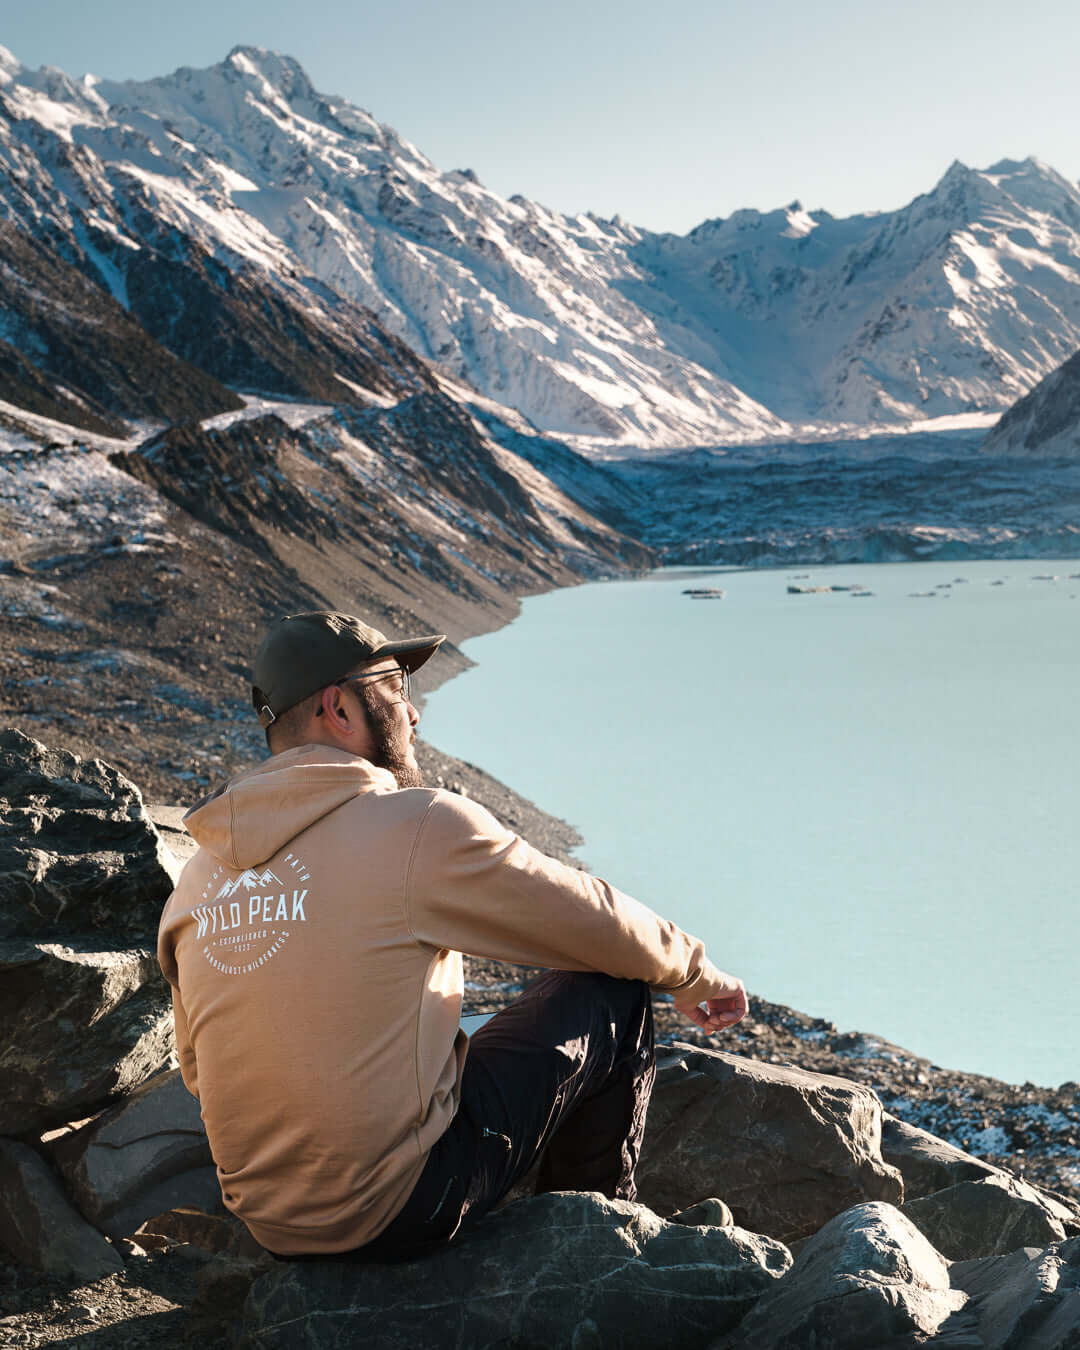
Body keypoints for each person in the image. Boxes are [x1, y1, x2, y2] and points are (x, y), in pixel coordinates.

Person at [157, 610, 748, 1261]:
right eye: (395, 687)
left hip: (270, 1223)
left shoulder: (199, 875)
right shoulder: (413, 827)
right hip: (401, 1208)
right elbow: (593, 920)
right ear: (339, 708)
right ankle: (599, 1249)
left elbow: (195, 1070)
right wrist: (695, 973)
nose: (413, 715)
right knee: (613, 987)